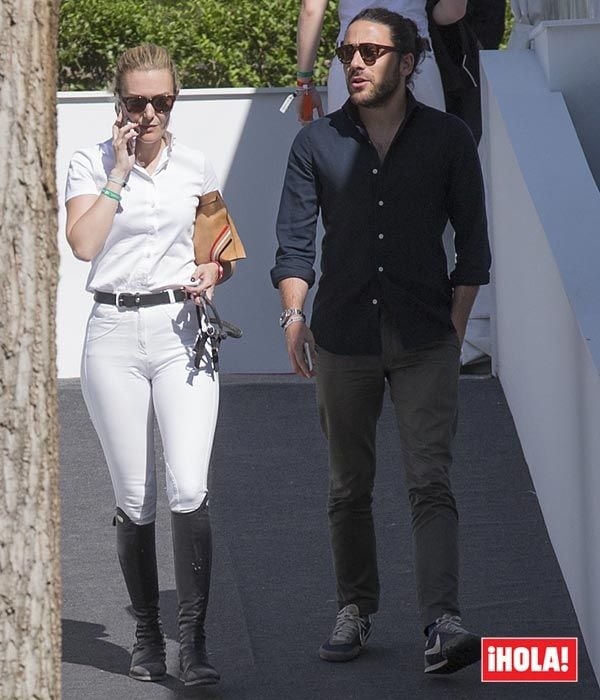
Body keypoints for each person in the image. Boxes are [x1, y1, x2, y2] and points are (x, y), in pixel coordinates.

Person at [272, 9, 490, 674]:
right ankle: (355, 609)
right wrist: (293, 315)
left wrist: (453, 330)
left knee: (430, 481)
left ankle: (442, 622)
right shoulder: (316, 144)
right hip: (342, 337)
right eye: (346, 53)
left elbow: (473, 248)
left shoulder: (449, 139)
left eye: (370, 52)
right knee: (347, 487)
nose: (355, 64)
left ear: (408, 59)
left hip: (426, 337)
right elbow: (293, 242)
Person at [65, 44, 232, 687]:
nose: (150, 112)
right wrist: (119, 171)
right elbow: (83, 243)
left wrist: (212, 270)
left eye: (162, 100)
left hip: (180, 331)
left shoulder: (196, 166)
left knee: (189, 486)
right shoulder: (91, 162)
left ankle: (192, 641)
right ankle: (145, 631)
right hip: (111, 331)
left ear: (174, 101)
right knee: (134, 496)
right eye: (137, 101)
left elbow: (220, 245)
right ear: (118, 103)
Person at [295, 0, 467, 122]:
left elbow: (311, 10)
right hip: (414, 56)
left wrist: (305, 85)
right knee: (430, 157)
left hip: (353, 58)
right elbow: (454, 10)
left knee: (347, 156)